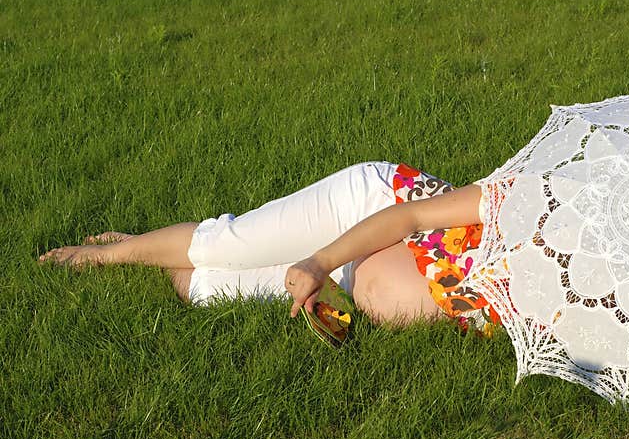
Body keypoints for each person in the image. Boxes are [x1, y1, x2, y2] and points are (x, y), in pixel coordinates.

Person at [37, 162, 503, 336]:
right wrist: (320, 260)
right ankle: (108, 253)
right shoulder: (529, 205)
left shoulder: (556, 317)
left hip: (349, 274)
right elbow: (412, 217)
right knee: (223, 246)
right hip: (369, 208)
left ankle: (149, 254)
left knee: (207, 291)